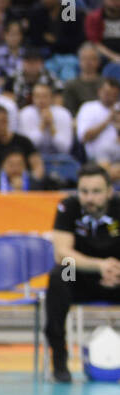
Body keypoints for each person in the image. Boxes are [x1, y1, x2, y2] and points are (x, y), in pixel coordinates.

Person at [47, 162, 120, 381]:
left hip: (116, 275)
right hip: (80, 275)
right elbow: (62, 253)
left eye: (96, 192)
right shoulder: (68, 207)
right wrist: (99, 265)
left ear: (109, 192)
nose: (89, 198)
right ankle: (60, 361)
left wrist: (114, 270)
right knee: (60, 274)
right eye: (84, 191)